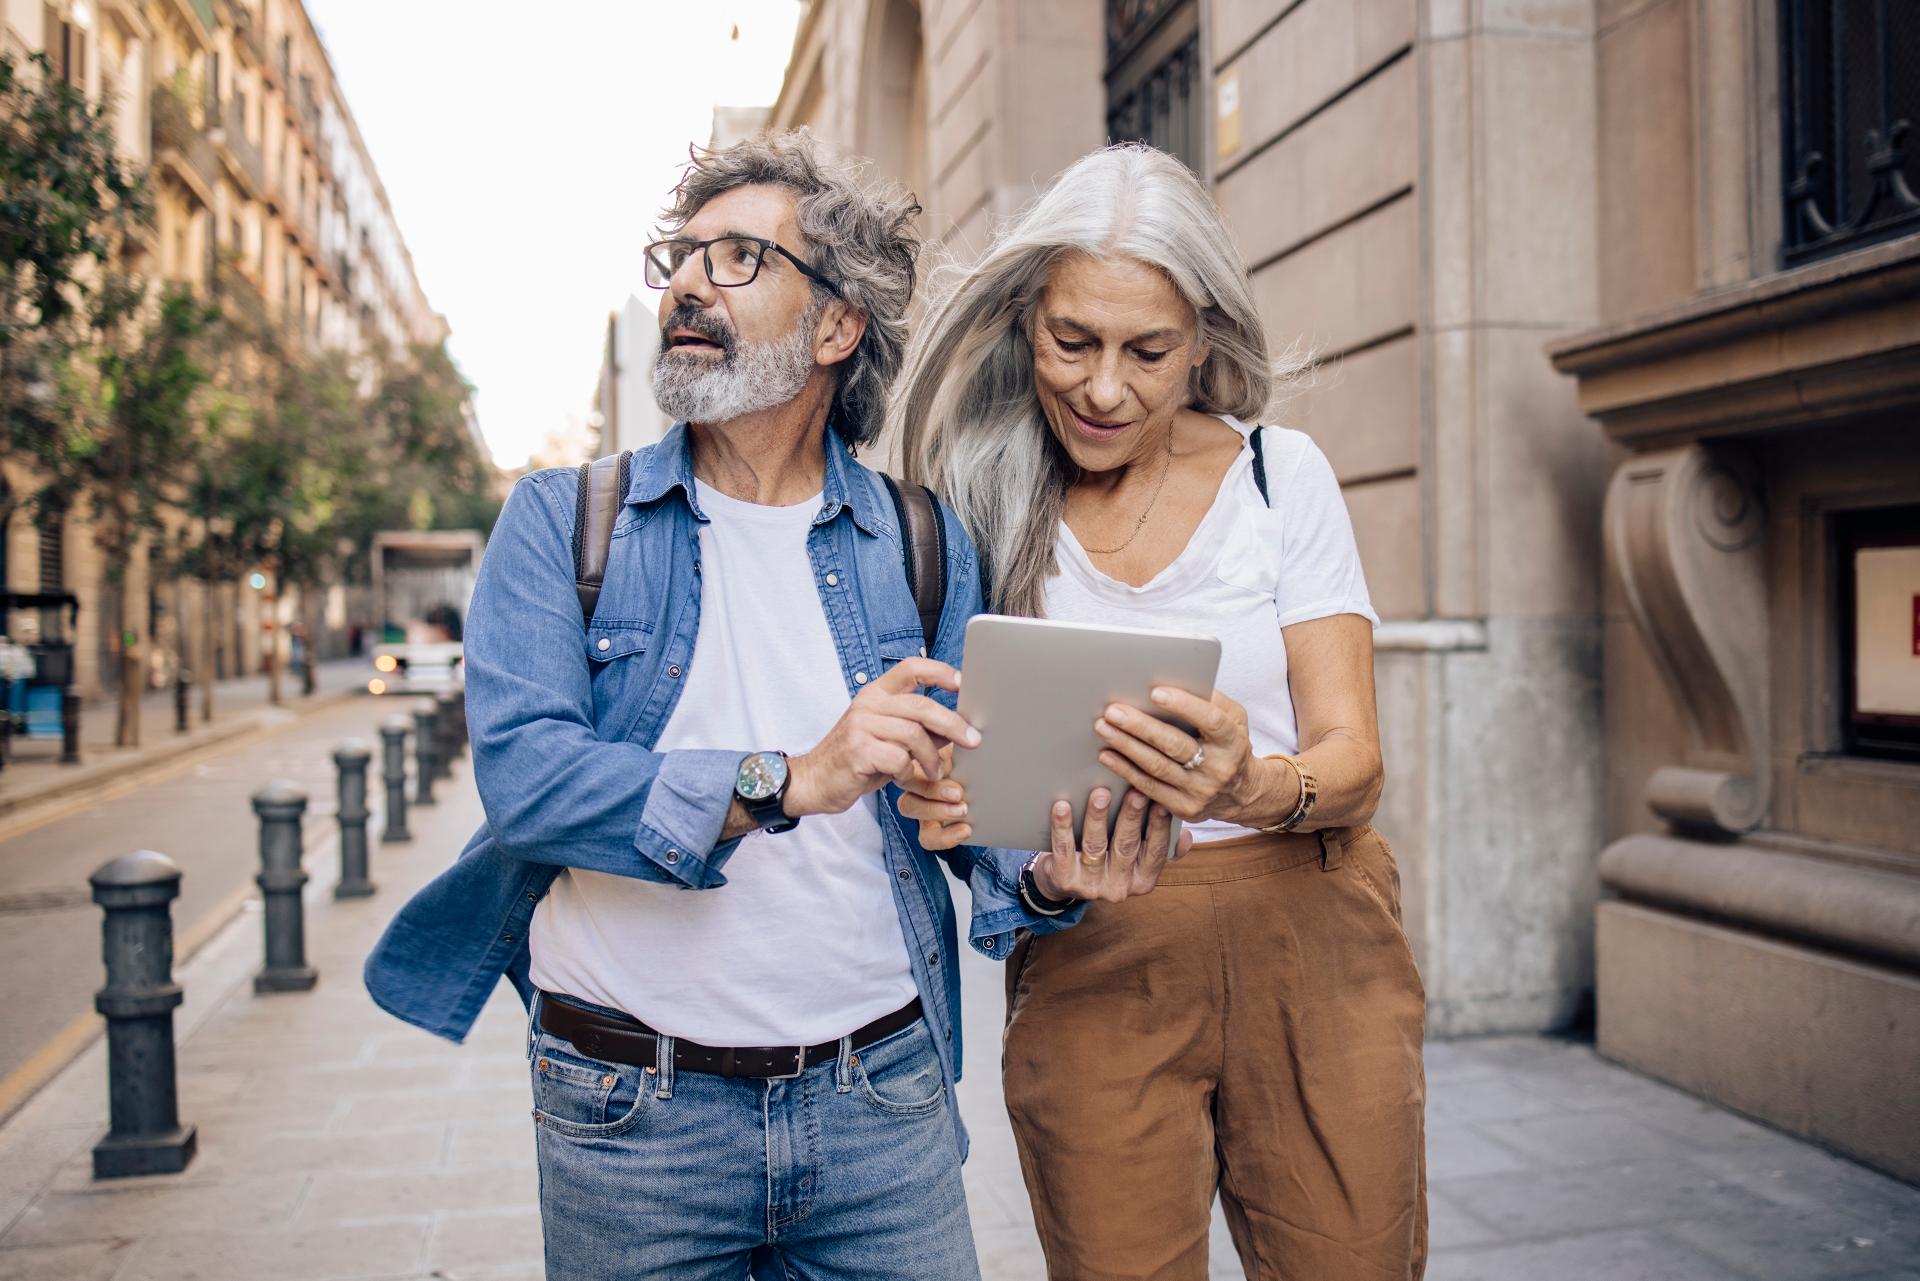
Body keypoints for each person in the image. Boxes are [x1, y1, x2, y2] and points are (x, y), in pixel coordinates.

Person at [362, 130, 1175, 1281]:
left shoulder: (925, 542)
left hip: (879, 1105)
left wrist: (1049, 873)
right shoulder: (563, 522)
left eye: (741, 258)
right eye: (682, 257)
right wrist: (789, 778)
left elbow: (974, 835)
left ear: (836, 327)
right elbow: (529, 785)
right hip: (630, 1117)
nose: (690, 283)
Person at [895, 143, 1427, 1280]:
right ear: (1024, 320)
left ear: (1205, 341)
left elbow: (1356, 763)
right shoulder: (973, 501)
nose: (1102, 388)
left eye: (1148, 351)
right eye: (1071, 341)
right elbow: (957, 803)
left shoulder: (1283, 476)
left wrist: (1252, 786)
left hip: (1314, 934)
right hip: (1096, 954)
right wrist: (966, 819)